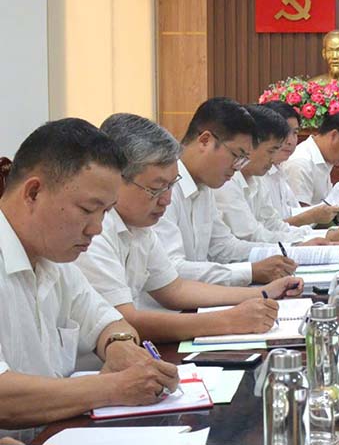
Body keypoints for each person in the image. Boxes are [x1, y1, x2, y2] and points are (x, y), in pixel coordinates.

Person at [0, 119, 178, 437]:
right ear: (33, 192)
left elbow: (109, 321)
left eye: (106, 213)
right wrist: (112, 386)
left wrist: (119, 345)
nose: (96, 228)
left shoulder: (56, 260)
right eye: (87, 210)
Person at [74, 113, 304, 342]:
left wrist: (262, 293)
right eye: (156, 188)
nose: (166, 199)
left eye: (171, 186)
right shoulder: (95, 230)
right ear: (117, 179)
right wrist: (229, 320)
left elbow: (174, 289)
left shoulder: (140, 224)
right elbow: (124, 320)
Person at [153, 98, 296, 287]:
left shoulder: (205, 185)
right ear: (205, 140)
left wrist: (284, 253)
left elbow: (223, 246)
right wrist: (251, 271)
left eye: (244, 159)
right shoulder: (162, 188)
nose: (237, 167)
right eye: (236, 156)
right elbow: (172, 270)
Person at [215, 106, 339, 246]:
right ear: (249, 145)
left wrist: (326, 235)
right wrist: (300, 245)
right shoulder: (226, 181)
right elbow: (250, 236)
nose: (273, 158)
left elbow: (274, 225)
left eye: (295, 133)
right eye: (271, 151)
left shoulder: (259, 177)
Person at [259, 101, 339, 227]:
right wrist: (314, 217)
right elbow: (268, 230)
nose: (291, 141)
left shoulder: (277, 170)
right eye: (284, 132)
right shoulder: (257, 174)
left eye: (295, 133)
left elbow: (292, 213)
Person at [282, 111, 339, 206]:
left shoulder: (324, 159)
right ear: (334, 135)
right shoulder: (300, 163)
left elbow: (325, 206)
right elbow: (300, 215)